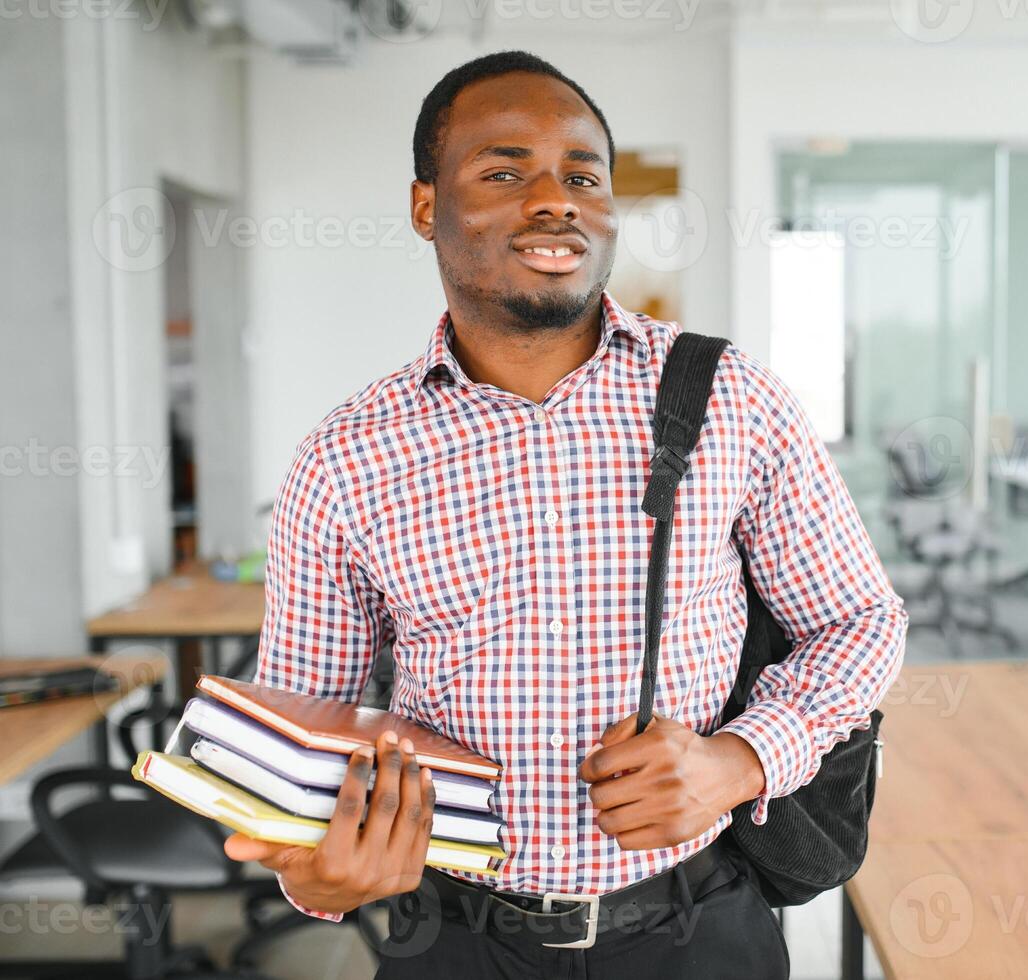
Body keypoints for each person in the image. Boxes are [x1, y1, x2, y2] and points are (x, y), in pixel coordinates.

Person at [222, 50, 908, 979]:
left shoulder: (729, 397)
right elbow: (302, 725)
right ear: (427, 206)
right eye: (503, 172)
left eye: (582, 175)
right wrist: (320, 878)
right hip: (455, 938)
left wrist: (739, 761)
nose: (556, 200)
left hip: (698, 926)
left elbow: (859, 623)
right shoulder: (347, 455)